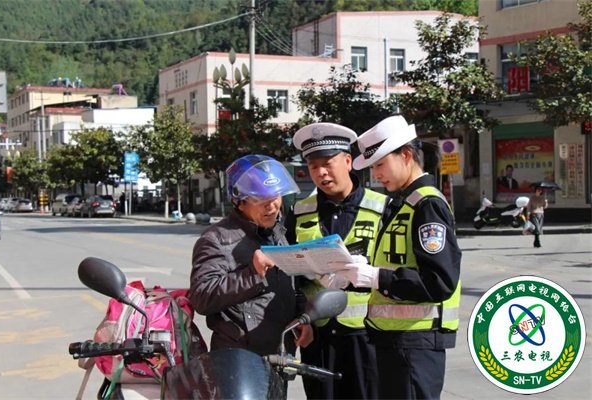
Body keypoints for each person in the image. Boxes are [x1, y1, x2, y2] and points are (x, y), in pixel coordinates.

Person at [332, 115, 462, 399]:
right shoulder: (405, 203)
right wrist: (359, 275)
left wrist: (377, 277)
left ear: (406, 155)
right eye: (372, 167)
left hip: (415, 343)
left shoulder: (427, 205)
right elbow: (399, 263)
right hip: (396, 340)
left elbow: (439, 281)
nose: (376, 174)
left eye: (380, 164)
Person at [285, 122, 387, 399]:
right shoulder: (299, 212)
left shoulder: (383, 208)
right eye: (313, 166)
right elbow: (288, 274)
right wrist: (300, 315)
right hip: (317, 335)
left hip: (367, 335)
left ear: (348, 161)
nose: (321, 173)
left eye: (328, 164)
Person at [189, 154, 312, 356]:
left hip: (281, 353)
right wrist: (252, 273)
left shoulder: (277, 232)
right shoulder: (216, 239)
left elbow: (291, 285)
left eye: (275, 197)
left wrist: (302, 318)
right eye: (260, 199)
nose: (271, 206)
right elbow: (202, 297)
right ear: (239, 201)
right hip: (239, 357)